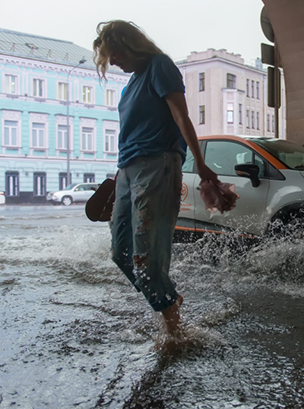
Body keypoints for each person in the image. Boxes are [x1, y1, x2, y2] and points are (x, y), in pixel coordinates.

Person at [93, 20, 218, 334]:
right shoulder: (131, 84)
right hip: (128, 170)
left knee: (145, 255)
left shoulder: (160, 66)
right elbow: (129, 134)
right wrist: (118, 179)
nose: (113, 62)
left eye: (115, 54)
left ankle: (174, 330)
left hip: (159, 164)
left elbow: (180, 115)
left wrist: (201, 165)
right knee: (121, 253)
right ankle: (170, 299)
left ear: (130, 45)